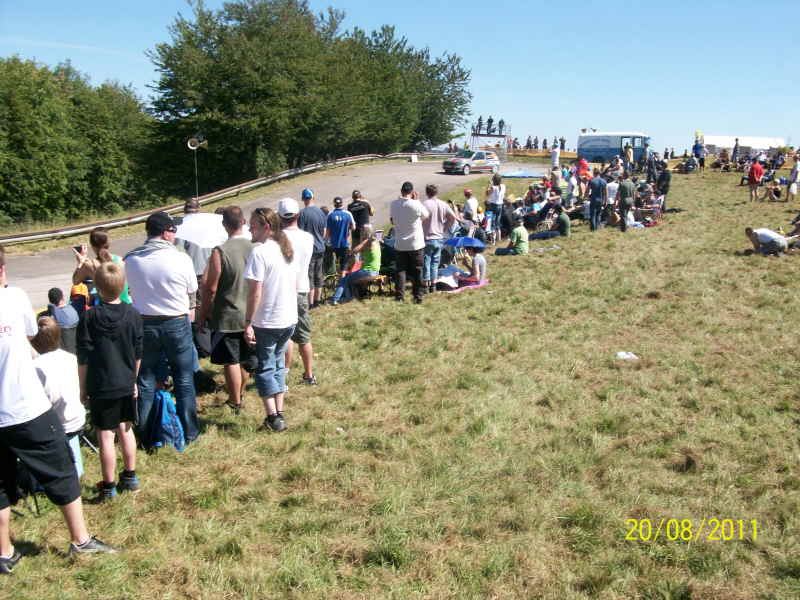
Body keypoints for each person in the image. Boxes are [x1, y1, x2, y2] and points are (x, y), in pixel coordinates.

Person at [0, 246, 118, 574]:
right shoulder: (13, 298)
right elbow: (30, 333)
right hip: (24, 407)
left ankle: (4, 552)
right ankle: (80, 541)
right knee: (62, 470)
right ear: (2, 271)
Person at [124, 212, 200, 448]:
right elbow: (192, 288)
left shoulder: (132, 259)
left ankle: (146, 433)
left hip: (145, 323)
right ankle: (189, 431)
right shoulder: (181, 259)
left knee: (145, 380)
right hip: (176, 322)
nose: (176, 235)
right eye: (174, 230)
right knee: (184, 378)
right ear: (166, 232)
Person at [77, 261, 142, 501]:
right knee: (126, 428)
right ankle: (131, 476)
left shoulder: (89, 318)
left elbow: (83, 357)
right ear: (123, 285)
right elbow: (138, 354)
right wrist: (133, 380)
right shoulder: (133, 314)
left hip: (101, 383)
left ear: (97, 288)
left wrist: (82, 387)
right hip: (125, 380)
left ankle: (108, 486)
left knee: (105, 436)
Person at [197, 206, 256, 414]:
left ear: (224, 225)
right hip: (251, 313)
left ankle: (235, 401)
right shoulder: (255, 247)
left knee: (231, 360)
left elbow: (210, 288)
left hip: (227, 315)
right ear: (244, 222)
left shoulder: (220, 251)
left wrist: (203, 313)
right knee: (245, 359)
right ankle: (241, 394)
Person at [244, 208, 297, 432]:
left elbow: (255, 291)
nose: (249, 229)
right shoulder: (285, 249)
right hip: (288, 318)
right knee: (277, 365)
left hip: (268, 320)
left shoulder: (260, 252)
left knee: (265, 368)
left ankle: (273, 417)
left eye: (253, 226)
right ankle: (279, 412)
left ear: (266, 227)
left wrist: (247, 322)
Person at [31, 317, 86, 479]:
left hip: (55, 426)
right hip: (77, 418)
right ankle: (76, 468)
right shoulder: (71, 358)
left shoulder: (35, 366)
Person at [279, 198, 317, 387]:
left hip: (282, 291)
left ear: (279, 217)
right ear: (298, 215)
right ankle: (309, 374)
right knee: (303, 336)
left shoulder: (276, 239)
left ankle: (284, 373)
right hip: (302, 287)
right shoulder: (307, 238)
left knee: (285, 335)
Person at [390, 182, 430, 304]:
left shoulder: (394, 204)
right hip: (415, 243)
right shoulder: (415, 204)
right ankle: (417, 296)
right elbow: (426, 215)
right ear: (412, 192)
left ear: (401, 191)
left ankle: (399, 296)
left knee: (401, 271)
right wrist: (417, 200)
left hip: (400, 243)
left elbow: (392, 221)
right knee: (417, 270)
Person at [72, 227, 131, 304]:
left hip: (105, 308)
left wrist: (80, 262)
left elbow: (75, 281)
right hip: (125, 305)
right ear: (108, 243)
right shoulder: (121, 260)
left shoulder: (89, 265)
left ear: (92, 246)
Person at [331, 224, 382, 304]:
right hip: (376, 271)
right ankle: (348, 296)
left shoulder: (367, 241)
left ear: (364, 232)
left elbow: (355, 250)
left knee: (344, 279)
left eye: (361, 231)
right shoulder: (376, 241)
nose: (360, 233)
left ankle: (336, 299)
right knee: (351, 278)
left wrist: (350, 253)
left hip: (368, 272)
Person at [422, 184, 456, 292]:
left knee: (427, 260)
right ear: (436, 192)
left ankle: (426, 284)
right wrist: (444, 228)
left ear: (427, 193)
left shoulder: (425, 204)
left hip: (427, 237)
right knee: (435, 262)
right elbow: (453, 218)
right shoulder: (443, 204)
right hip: (439, 237)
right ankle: (433, 284)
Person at [297, 188, 327, 308]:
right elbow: (324, 232)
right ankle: (318, 301)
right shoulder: (320, 212)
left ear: (303, 199)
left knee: (309, 275)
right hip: (320, 247)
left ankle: (310, 303)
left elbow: (300, 232)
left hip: (308, 250)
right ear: (313, 198)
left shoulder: (302, 214)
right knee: (318, 274)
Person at [325, 197, 355, 277]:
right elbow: (353, 227)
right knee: (344, 264)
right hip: (345, 243)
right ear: (342, 204)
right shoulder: (348, 214)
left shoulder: (330, 215)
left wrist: (325, 242)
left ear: (334, 204)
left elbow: (327, 231)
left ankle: (339, 280)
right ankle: (342, 281)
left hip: (334, 244)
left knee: (337, 263)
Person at [45, 287, 79, 354]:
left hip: (63, 348)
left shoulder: (53, 310)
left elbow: (51, 306)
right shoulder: (72, 309)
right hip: (75, 348)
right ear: (62, 297)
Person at [485, 174, 506, 243]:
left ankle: (493, 241)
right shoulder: (503, 186)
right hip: (500, 205)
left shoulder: (493, 188)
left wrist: (489, 185)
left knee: (492, 223)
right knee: (497, 222)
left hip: (493, 205)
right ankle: (498, 239)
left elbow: (487, 194)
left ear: (494, 180)